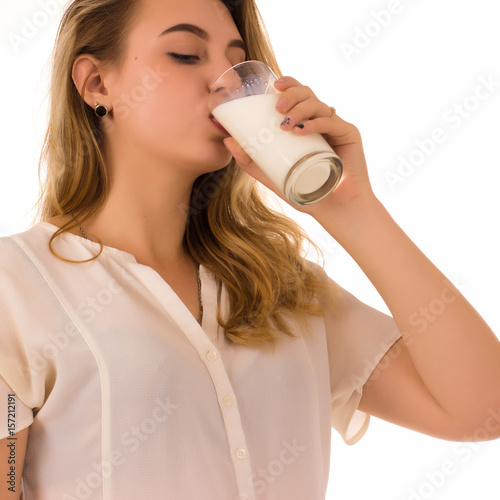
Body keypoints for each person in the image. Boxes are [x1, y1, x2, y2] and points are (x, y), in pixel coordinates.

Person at [1, 0, 499, 498]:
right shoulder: (15, 286)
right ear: (96, 84)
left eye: (236, 60)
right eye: (185, 54)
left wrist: (352, 209)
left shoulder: (282, 288)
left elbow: (483, 410)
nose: (225, 80)